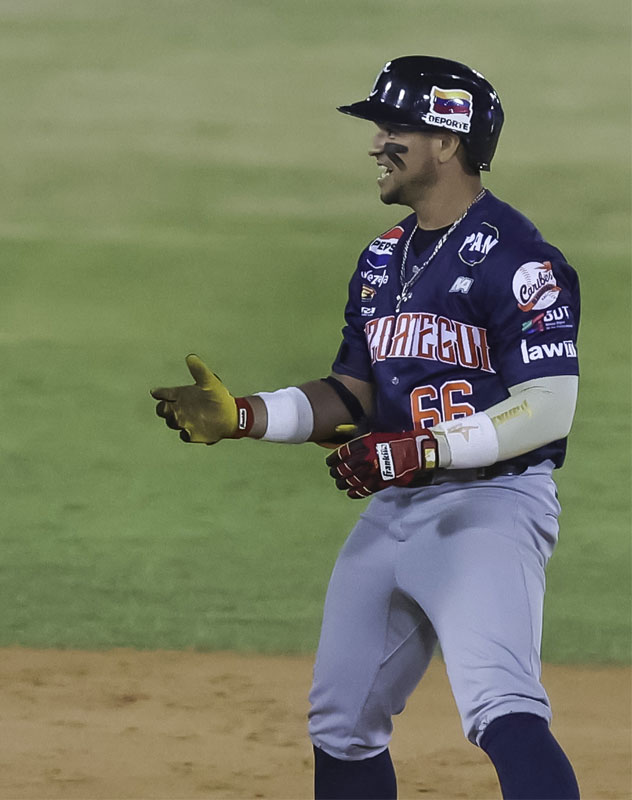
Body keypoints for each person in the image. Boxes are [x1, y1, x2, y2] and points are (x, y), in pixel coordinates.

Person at [151, 56, 581, 799]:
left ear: (447, 142)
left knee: (501, 707)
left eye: (394, 128)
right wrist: (246, 416)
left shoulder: (520, 259)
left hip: (492, 507)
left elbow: (548, 405)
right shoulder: (385, 258)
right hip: (398, 504)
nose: (376, 142)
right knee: (341, 720)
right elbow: (351, 394)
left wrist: (426, 447)